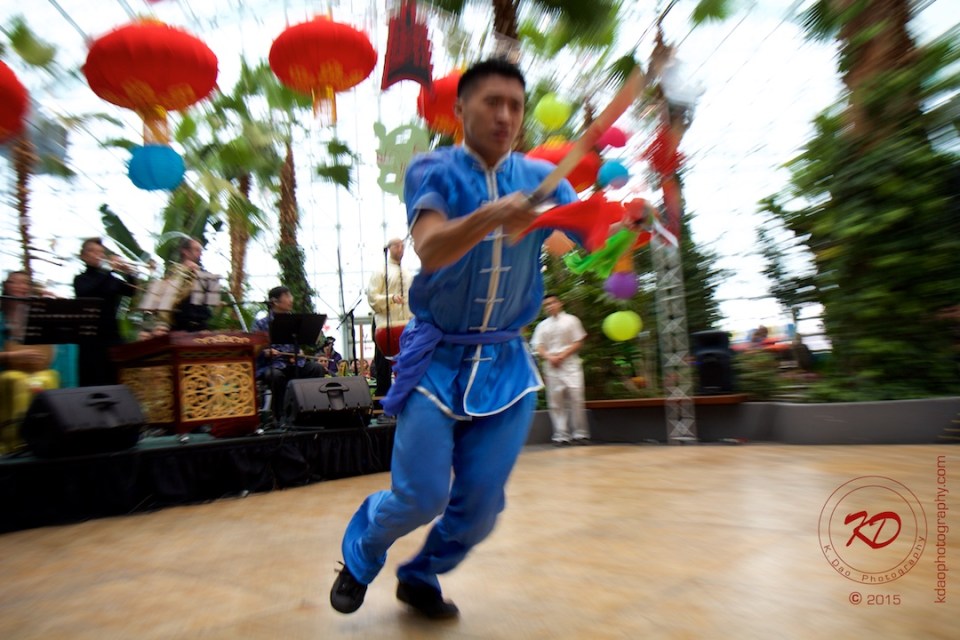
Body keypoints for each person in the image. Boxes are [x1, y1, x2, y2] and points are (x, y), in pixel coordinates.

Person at [330, 58, 580, 620]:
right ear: (460, 109)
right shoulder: (433, 169)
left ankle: (420, 574)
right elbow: (430, 247)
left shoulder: (544, 178)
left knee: (480, 509)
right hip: (437, 360)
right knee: (421, 496)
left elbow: (575, 248)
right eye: (492, 102)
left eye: (515, 105)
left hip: (508, 366)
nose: (505, 115)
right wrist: (493, 216)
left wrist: (614, 225)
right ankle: (362, 553)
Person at [1, 271, 58, 453]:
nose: (21, 286)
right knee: (17, 381)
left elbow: (49, 353)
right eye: (15, 282)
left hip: (35, 372)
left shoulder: (35, 315)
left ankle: (47, 439)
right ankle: (14, 442)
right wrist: (11, 356)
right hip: (4, 371)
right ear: (6, 286)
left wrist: (51, 309)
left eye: (25, 283)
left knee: (49, 377)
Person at [73, 238, 138, 386]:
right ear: (83, 256)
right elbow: (88, 291)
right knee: (93, 379)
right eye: (92, 251)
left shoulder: (111, 279)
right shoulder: (80, 279)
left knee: (116, 378)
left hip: (112, 336)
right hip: (91, 339)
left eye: (101, 252)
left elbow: (131, 291)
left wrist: (129, 273)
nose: (98, 255)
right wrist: (108, 270)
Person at [253, 286, 326, 418]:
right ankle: (281, 416)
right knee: (275, 376)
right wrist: (266, 352)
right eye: (287, 296)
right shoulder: (261, 324)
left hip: (295, 364)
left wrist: (299, 354)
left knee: (316, 369)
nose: (291, 299)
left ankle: (312, 411)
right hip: (274, 365)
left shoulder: (295, 321)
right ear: (275, 301)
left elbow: (298, 345)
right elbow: (254, 350)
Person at [530, 293, 589, 445]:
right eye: (546, 305)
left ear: (559, 303)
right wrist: (549, 357)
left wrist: (562, 355)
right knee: (556, 402)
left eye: (552, 303)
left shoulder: (572, 320)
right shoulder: (542, 326)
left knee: (576, 398)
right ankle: (561, 435)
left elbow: (579, 341)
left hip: (570, 364)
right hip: (551, 366)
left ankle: (580, 434)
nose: (550, 306)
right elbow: (538, 345)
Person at [367, 238, 413, 398]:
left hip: (405, 324)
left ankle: (405, 395)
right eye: (397, 246)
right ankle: (383, 397)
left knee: (406, 361)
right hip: (385, 324)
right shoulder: (380, 271)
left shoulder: (407, 273)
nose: (401, 249)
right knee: (384, 362)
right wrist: (391, 298)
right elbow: (372, 298)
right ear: (389, 248)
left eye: (403, 246)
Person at [168, 237, 213, 332]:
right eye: (197, 250)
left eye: (200, 250)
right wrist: (183, 274)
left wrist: (198, 274)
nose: (200, 253)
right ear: (185, 252)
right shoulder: (173, 271)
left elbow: (211, 299)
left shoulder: (204, 273)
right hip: (178, 325)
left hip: (200, 326)